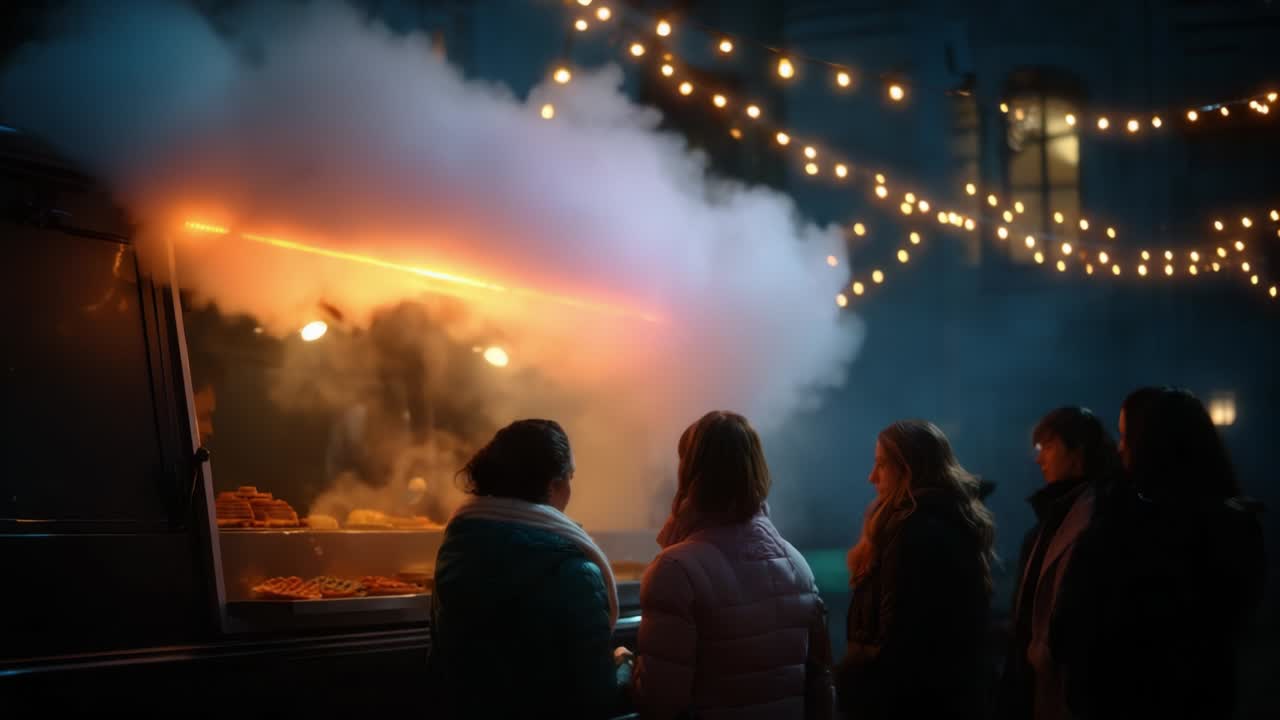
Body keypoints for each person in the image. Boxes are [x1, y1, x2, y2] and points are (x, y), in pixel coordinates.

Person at [1056, 387, 1266, 719]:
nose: (1120, 448)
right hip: (1208, 699)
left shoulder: (1126, 530)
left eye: (1127, 436)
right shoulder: (1234, 526)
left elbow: (1074, 631)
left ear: (1152, 445)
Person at [631, 410, 834, 720]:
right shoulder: (796, 563)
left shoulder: (675, 569)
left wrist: (628, 672)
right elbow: (819, 680)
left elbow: (661, 701)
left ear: (689, 471)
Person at [427, 419, 630, 719]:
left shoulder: (457, 552)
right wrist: (624, 665)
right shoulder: (574, 571)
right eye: (570, 476)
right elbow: (595, 696)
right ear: (553, 485)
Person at [836, 420, 996, 720]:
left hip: (907, 703)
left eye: (881, 465)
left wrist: (844, 676)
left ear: (909, 469)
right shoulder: (949, 522)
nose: (872, 477)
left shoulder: (913, 532)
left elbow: (899, 639)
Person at [996, 407, 1119, 720]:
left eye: (1048, 447)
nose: (1039, 459)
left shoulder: (1102, 522)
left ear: (1078, 452)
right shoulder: (1049, 523)